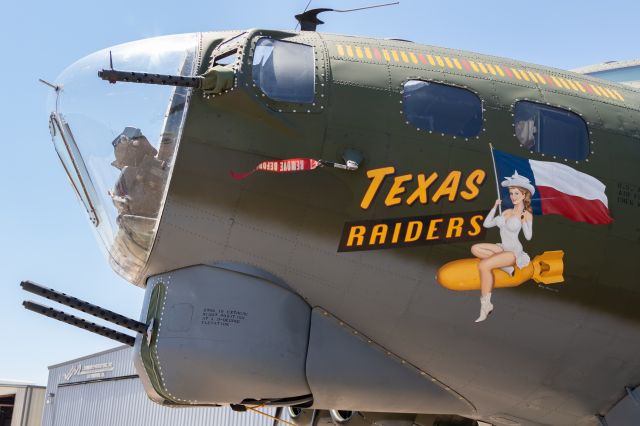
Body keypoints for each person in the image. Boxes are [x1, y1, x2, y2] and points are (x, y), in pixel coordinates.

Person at [470, 171, 534, 322]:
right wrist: (494, 208)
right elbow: (486, 224)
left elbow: (528, 237)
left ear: (524, 195)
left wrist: (524, 220)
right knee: (475, 249)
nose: (513, 196)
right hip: (502, 247)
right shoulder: (506, 212)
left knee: (484, 266)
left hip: (513, 252)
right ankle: (506, 267)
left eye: (516, 193)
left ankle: (486, 305)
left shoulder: (526, 214)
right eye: (511, 193)